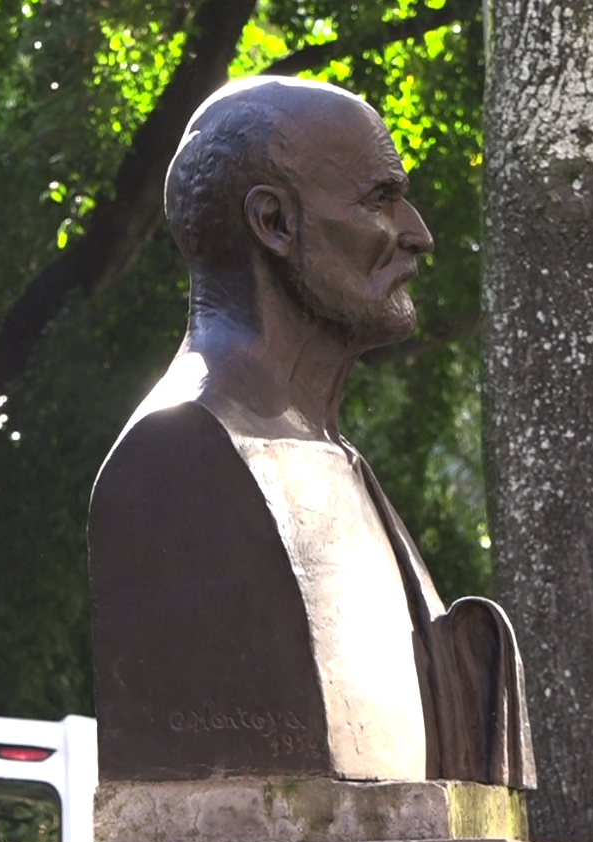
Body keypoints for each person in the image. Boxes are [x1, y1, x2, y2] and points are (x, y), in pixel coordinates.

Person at [88, 77, 533, 789]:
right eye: (379, 199)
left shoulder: (335, 459)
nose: (418, 233)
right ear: (275, 222)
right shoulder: (181, 461)